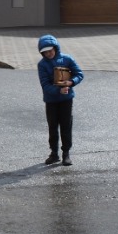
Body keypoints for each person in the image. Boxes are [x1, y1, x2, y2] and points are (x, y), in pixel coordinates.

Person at [37, 34, 84, 166]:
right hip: (51, 100)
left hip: (66, 100)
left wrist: (71, 82)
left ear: (55, 48)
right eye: (45, 52)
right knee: (52, 127)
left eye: (50, 50)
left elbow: (79, 74)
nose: (48, 53)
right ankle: (54, 153)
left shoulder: (67, 59)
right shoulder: (42, 65)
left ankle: (66, 153)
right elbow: (45, 85)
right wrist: (58, 90)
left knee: (66, 126)